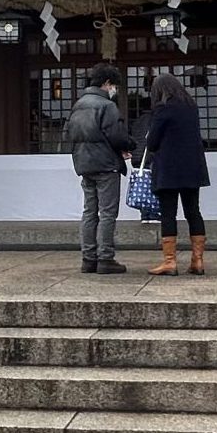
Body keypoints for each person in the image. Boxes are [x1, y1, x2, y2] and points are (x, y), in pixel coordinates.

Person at [62, 62, 134, 275]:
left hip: (84, 163)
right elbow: (116, 135)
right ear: (107, 83)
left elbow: (68, 133)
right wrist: (129, 145)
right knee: (108, 213)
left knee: (89, 212)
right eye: (114, 86)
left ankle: (88, 258)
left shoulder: (78, 105)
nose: (115, 90)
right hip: (106, 165)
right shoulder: (107, 106)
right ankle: (105, 258)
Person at [143, 73, 211, 275]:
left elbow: (152, 142)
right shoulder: (191, 107)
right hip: (192, 167)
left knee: (168, 214)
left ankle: (170, 261)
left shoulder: (163, 109)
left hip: (169, 169)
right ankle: (198, 260)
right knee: (193, 212)